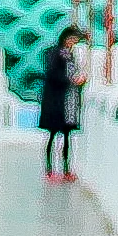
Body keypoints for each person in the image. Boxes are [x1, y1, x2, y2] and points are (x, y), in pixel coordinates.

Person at [32, 24, 80, 178]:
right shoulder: (55, 53)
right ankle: (50, 169)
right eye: (73, 39)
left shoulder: (69, 55)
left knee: (66, 137)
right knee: (52, 136)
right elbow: (53, 73)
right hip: (55, 101)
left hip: (68, 102)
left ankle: (66, 169)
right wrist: (69, 80)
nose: (73, 43)